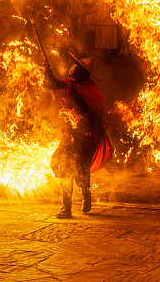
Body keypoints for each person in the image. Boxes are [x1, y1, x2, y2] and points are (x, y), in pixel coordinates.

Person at [43, 57, 112, 219]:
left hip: (84, 137)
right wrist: (48, 70)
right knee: (65, 169)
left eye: (78, 67)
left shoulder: (90, 90)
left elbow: (96, 116)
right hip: (68, 136)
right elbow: (52, 84)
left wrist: (84, 128)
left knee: (80, 171)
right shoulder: (70, 85)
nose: (74, 68)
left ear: (84, 73)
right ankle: (66, 207)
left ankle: (85, 195)